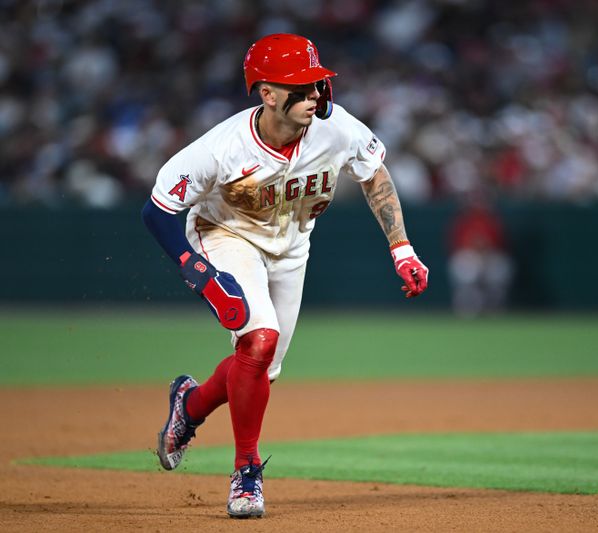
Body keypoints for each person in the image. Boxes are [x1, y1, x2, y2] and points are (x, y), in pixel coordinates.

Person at [141, 33, 429, 519]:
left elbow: (373, 172)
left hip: (292, 246)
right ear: (267, 93)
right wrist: (199, 272)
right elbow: (158, 211)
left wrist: (402, 248)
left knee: (261, 365)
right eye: (300, 85)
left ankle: (189, 406)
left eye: (317, 82)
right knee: (258, 340)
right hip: (225, 235)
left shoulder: (335, 128)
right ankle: (247, 473)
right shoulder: (222, 147)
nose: (314, 93)